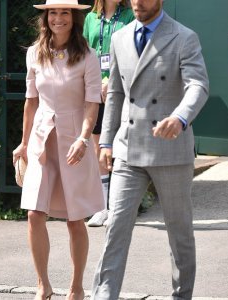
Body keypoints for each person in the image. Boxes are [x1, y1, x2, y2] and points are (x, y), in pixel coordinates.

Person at [91, 0, 209, 299]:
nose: (137, 2)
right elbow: (116, 93)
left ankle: (181, 295)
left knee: (178, 233)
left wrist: (181, 116)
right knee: (115, 227)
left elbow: (198, 84)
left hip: (170, 149)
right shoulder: (119, 37)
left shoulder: (183, 36)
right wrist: (106, 141)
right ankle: (104, 295)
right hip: (128, 149)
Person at [12, 1, 104, 299]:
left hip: (74, 142)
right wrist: (23, 143)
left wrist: (83, 138)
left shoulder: (88, 56)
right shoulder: (34, 53)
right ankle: (43, 285)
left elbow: (93, 102)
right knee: (34, 214)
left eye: (65, 12)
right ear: (46, 17)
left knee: (75, 218)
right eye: (53, 13)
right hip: (41, 141)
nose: (58, 18)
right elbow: (31, 101)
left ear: (74, 17)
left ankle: (76, 287)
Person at [83, 0, 134, 227]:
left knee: (120, 147)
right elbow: (85, 53)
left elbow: (133, 52)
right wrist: (95, 81)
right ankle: (102, 207)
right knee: (97, 147)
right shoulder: (90, 19)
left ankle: (118, 207)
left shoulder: (130, 16)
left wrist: (110, 80)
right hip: (94, 90)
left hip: (121, 89)